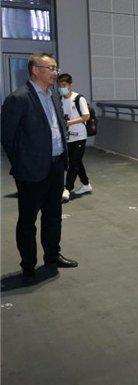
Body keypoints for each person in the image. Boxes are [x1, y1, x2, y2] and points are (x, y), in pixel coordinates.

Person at [1, 52, 79, 283]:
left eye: (56, 68)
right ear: (36, 70)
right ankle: (28, 265)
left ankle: (52, 256)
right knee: (28, 220)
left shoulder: (53, 96)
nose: (55, 73)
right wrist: (22, 162)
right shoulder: (19, 98)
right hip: (31, 170)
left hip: (56, 167)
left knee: (53, 216)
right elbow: (7, 136)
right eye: (51, 68)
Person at [57, 73, 92, 202]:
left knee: (73, 162)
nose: (62, 88)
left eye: (64, 85)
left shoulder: (78, 99)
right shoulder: (60, 100)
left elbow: (86, 116)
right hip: (68, 137)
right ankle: (86, 184)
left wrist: (69, 123)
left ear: (70, 85)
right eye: (60, 86)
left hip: (79, 136)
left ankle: (67, 189)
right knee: (76, 161)